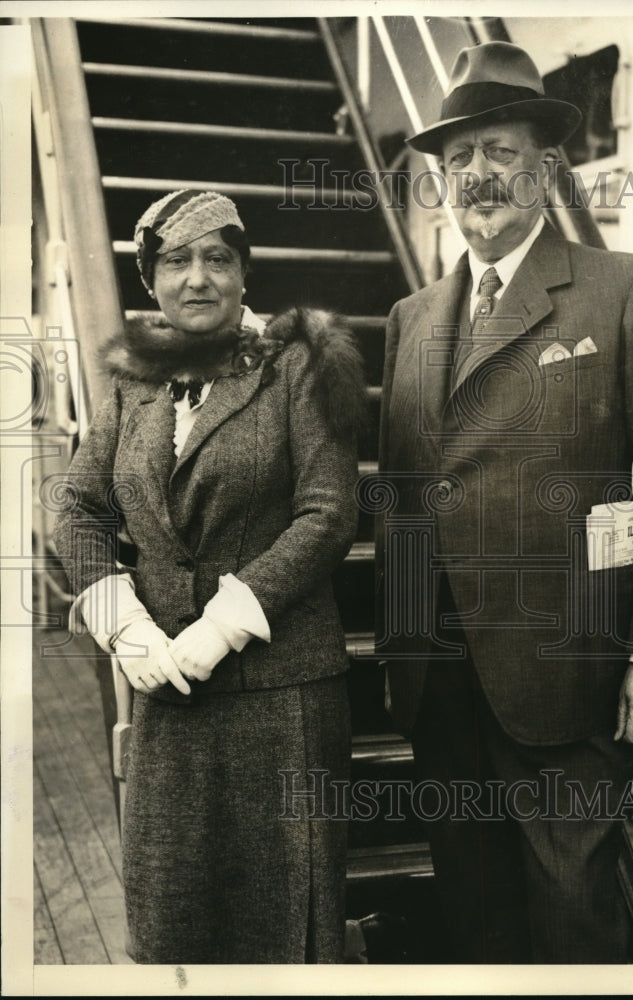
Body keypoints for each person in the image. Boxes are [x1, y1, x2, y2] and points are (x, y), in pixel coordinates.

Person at [375, 42, 633, 963]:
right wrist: (401, 647)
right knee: (473, 912)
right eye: (457, 161)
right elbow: (406, 501)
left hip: (571, 680)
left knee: (575, 917)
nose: (475, 175)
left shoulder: (623, 289)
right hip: (440, 682)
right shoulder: (410, 319)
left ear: (545, 166)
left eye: (496, 151)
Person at [53, 189, 366, 963]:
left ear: (243, 272)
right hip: (168, 692)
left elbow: (327, 514)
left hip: (281, 692)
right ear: (149, 282)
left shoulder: (299, 365)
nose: (198, 277)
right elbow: (78, 505)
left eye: (218, 258)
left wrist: (224, 624)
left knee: (284, 928)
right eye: (176, 261)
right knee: (173, 920)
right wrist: (123, 624)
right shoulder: (134, 380)